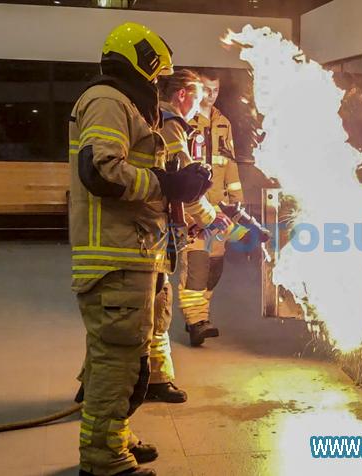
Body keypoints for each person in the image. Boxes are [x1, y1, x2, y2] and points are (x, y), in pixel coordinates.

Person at [69, 22, 212, 476]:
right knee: (116, 358)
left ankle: (115, 436)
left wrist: (184, 184)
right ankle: (104, 460)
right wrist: (169, 183)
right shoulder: (108, 101)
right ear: (137, 63)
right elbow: (102, 171)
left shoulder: (125, 104)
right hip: (115, 257)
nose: (156, 85)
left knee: (123, 357)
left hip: (134, 253)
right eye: (154, 76)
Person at [144, 69, 231, 403]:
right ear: (183, 95)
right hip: (151, 235)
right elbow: (185, 180)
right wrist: (209, 218)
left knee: (154, 308)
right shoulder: (171, 125)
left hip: (159, 229)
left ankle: (155, 379)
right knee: (153, 309)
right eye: (197, 95)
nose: (201, 104)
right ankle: (148, 381)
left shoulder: (157, 120)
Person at [179, 69, 244, 346]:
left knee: (215, 268)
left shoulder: (223, 123)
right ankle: (196, 322)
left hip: (219, 211)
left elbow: (230, 163)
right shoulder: (182, 120)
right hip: (192, 210)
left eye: (215, 90)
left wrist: (236, 200)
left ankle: (200, 316)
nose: (210, 95)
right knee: (197, 266)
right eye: (205, 89)